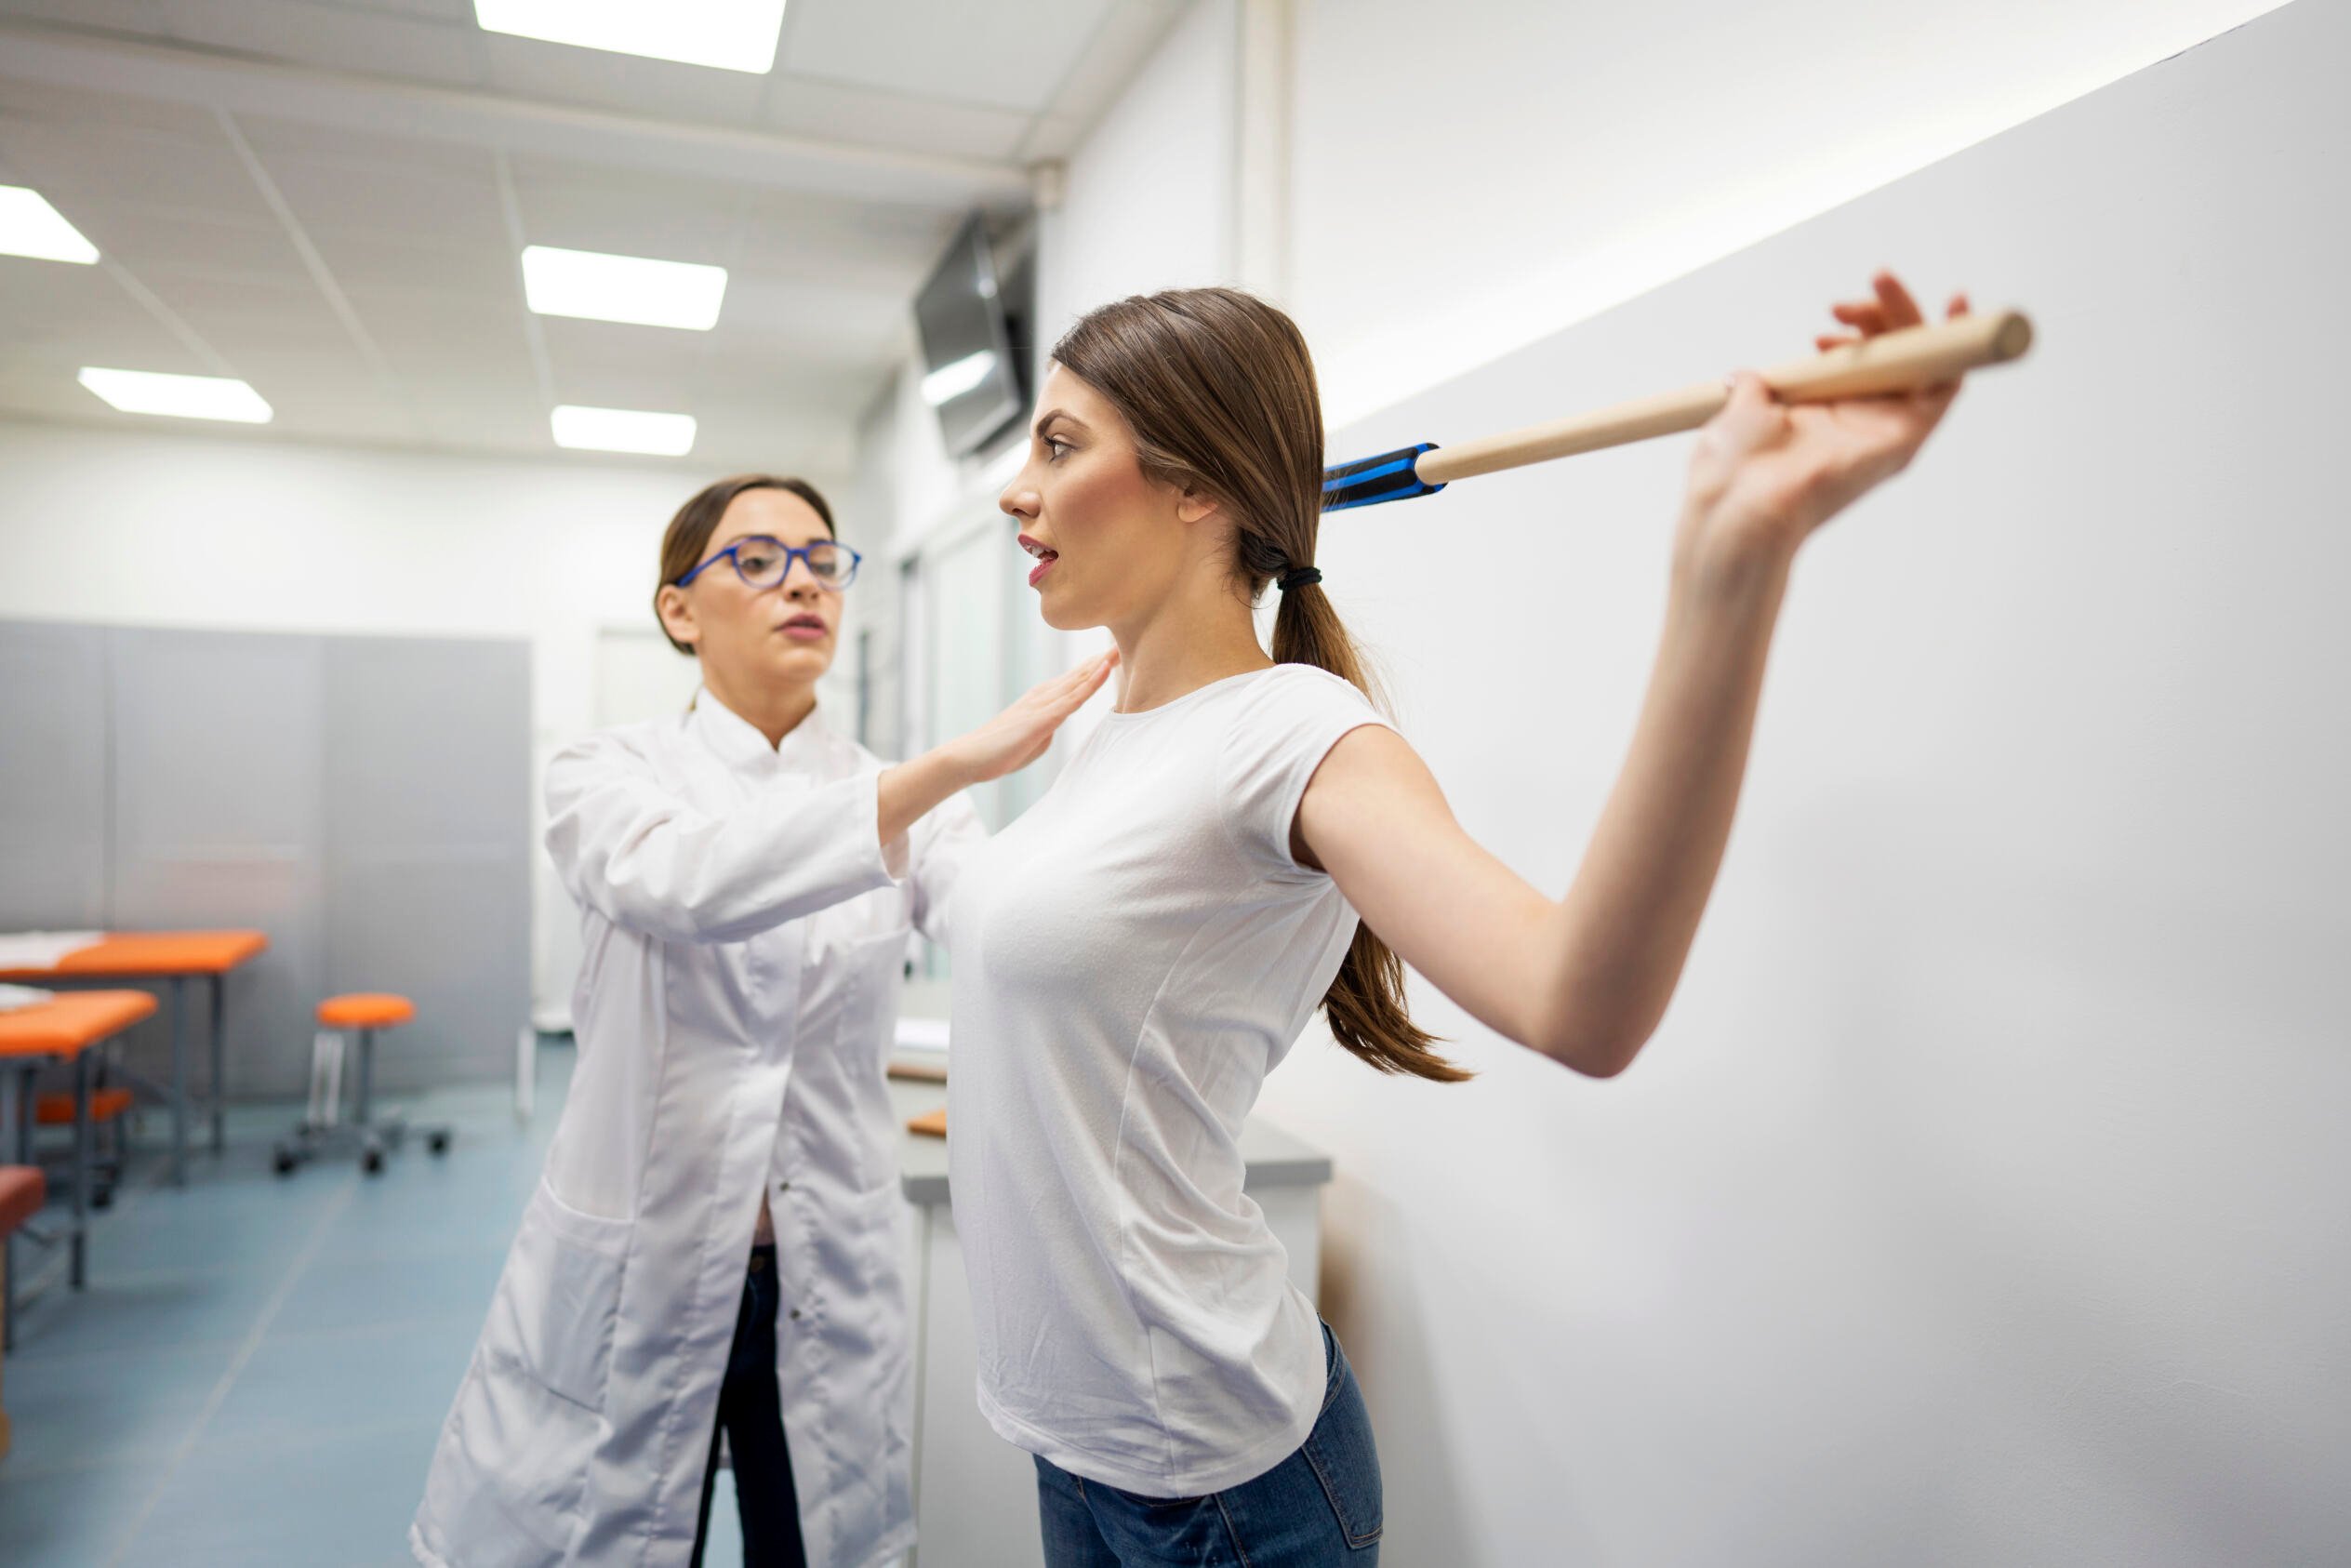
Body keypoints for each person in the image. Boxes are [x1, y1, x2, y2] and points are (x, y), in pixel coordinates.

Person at [946, 275, 1971, 1564]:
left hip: (1212, 1486)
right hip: (1080, 1449)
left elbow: (1577, 1000)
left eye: (1058, 442)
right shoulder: (1108, 733)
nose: (1015, 489)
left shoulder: (1299, 734)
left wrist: (1731, 560)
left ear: (1196, 485)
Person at [410, 473, 1114, 1568]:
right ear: (678, 610)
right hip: (639, 1268)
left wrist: (1118, 784)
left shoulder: (904, 793)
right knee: (615, 1540)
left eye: (822, 559)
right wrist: (944, 772)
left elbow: (998, 932)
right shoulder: (604, 774)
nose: (802, 582)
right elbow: (685, 882)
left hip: (821, 1273)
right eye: (756, 559)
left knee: (819, 1548)